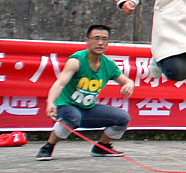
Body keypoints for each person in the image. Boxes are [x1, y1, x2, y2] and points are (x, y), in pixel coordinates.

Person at [36, 24, 135, 160]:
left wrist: (129, 85)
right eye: (96, 38)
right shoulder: (76, 61)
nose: (100, 43)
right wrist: (51, 103)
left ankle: (102, 147)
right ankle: (48, 146)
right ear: (87, 40)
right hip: (66, 107)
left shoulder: (108, 64)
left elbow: (127, 80)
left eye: (104, 39)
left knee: (122, 118)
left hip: (87, 109)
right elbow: (59, 84)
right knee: (73, 117)